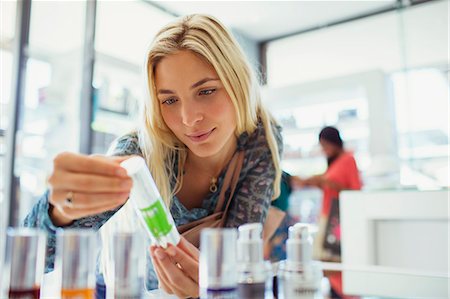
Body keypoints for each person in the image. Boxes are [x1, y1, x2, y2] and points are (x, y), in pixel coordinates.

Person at [24, 14, 283, 299]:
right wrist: (59, 211)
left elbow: (239, 255)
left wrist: (207, 289)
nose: (188, 118)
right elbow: (38, 256)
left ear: (238, 83)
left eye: (206, 91)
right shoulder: (137, 155)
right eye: (169, 100)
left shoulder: (261, 140)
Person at [292, 126, 362, 298]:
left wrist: (327, 183)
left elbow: (355, 191)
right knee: (328, 263)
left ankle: (347, 294)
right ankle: (338, 292)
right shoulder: (335, 162)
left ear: (334, 142)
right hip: (328, 217)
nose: (324, 149)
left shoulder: (348, 159)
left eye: (325, 145)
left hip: (339, 221)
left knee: (334, 263)